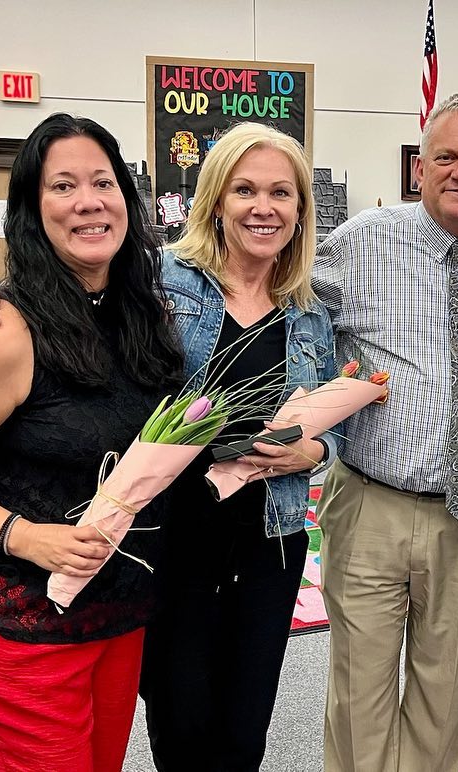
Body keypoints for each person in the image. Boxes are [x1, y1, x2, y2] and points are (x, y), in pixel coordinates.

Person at [311, 92, 458, 772]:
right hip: (370, 503)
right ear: (420, 167)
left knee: (445, 703)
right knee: (359, 697)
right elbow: (274, 300)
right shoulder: (358, 242)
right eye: (446, 156)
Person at [0, 113, 184, 771]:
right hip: (27, 628)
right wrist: (24, 535)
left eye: (103, 182)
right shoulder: (4, 331)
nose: (89, 201)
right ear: (31, 211)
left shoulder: (142, 317)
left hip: (117, 619)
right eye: (63, 186)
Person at [136, 122, 335, 771]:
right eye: (245, 189)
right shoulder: (160, 283)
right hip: (172, 546)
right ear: (216, 199)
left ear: (300, 210)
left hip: (268, 547)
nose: (263, 206)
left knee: (243, 739)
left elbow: (325, 422)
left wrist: (315, 453)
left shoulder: (307, 314)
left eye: (281, 192)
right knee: (183, 732)